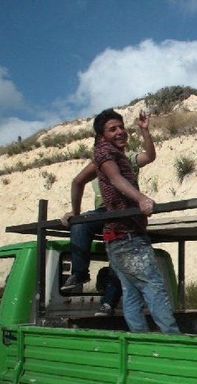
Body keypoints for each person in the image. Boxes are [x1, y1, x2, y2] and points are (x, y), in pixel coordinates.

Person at [92, 107, 180, 334]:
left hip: (120, 235)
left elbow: (149, 156)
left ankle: (140, 340)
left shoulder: (119, 155)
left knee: (131, 292)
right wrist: (142, 199)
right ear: (102, 136)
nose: (120, 131)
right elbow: (115, 178)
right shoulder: (104, 153)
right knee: (154, 286)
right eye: (113, 129)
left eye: (121, 127)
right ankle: (174, 339)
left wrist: (145, 131)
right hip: (127, 235)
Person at [61, 126, 156, 316]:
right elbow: (77, 182)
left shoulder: (127, 159)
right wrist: (75, 212)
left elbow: (149, 156)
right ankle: (79, 273)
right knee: (80, 223)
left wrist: (145, 131)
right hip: (103, 211)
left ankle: (108, 303)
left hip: (124, 211)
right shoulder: (98, 163)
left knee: (119, 254)